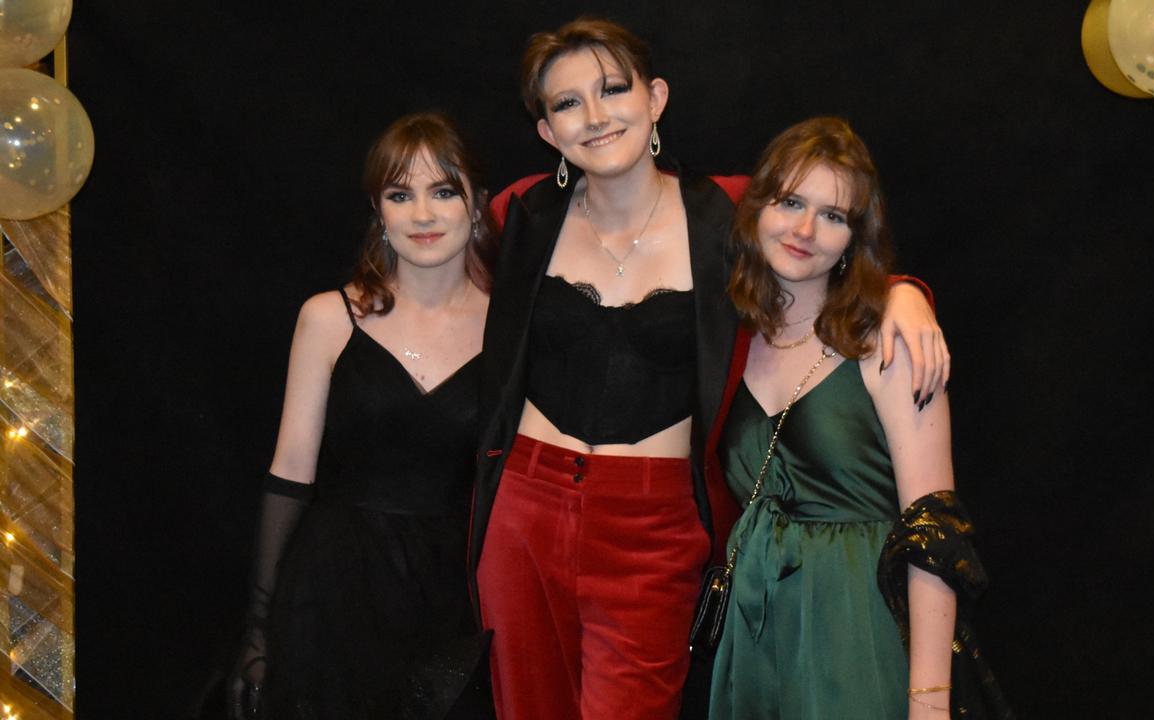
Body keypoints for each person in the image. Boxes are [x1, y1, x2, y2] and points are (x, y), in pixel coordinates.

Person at [470, 19, 949, 720]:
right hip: (523, 508)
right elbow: (437, 292)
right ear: (546, 131)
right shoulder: (518, 215)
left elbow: (827, 235)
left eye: (612, 89)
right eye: (567, 103)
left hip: (655, 524)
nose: (596, 116)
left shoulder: (728, 210)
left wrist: (906, 294)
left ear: (655, 97)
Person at [708, 116, 1001, 719]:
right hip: (754, 640)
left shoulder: (892, 345)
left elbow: (935, 534)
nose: (806, 230)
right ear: (756, 207)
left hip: (859, 636)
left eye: (834, 215)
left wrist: (929, 701)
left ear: (854, 238)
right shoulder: (725, 341)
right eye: (791, 202)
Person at [227, 112, 496, 720]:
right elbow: (289, 474)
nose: (422, 214)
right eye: (401, 195)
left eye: (443, 191)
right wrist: (259, 629)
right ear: (379, 210)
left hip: (455, 600)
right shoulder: (328, 317)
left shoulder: (511, 328)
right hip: (333, 595)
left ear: (476, 204)